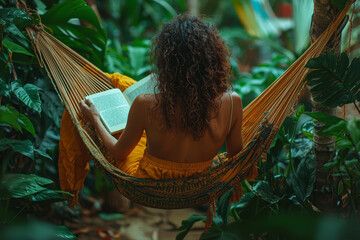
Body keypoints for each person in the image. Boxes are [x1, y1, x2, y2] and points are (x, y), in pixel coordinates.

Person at [79, 14, 243, 180]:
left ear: (167, 62)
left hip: (150, 182)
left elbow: (119, 153)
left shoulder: (146, 103)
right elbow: (236, 159)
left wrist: (95, 119)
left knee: (123, 134)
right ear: (213, 59)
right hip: (200, 182)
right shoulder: (232, 102)